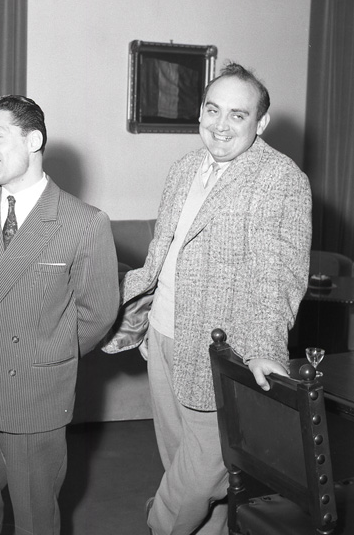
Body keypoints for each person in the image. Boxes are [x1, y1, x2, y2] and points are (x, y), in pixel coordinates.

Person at [114, 63, 312, 535]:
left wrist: (264, 347)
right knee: (178, 459)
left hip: (222, 350)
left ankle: (158, 526)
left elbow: (277, 274)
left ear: (261, 122)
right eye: (212, 109)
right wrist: (144, 318)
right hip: (162, 335)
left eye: (238, 115)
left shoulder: (280, 178)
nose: (221, 125)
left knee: (203, 472)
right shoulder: (184, 167)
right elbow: (165, 249)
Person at [0, 94, 119, 534]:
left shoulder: (84, 222)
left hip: (34, 393)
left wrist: (46, 352)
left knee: (35, 518)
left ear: (34, 140)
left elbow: (98, 313)